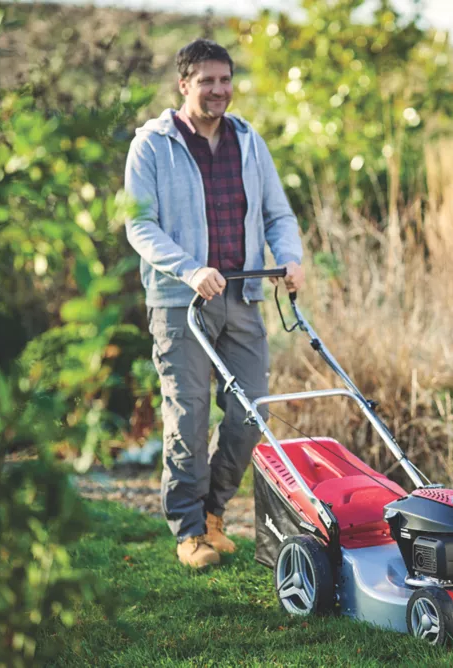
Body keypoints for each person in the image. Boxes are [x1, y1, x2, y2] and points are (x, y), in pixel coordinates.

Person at [123, 39, 304, 568]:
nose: (219, 89)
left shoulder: (249, 141)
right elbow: (139, 224)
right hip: (181, 302)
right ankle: (189, 532)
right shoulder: (152, 145)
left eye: (225, 79)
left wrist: (289, 258)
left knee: (251, 416)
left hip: (243, 296)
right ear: (184, 84)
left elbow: (278, 215)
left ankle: (214, 514)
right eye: (207, 80)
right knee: (189, 418)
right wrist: (189, 268)